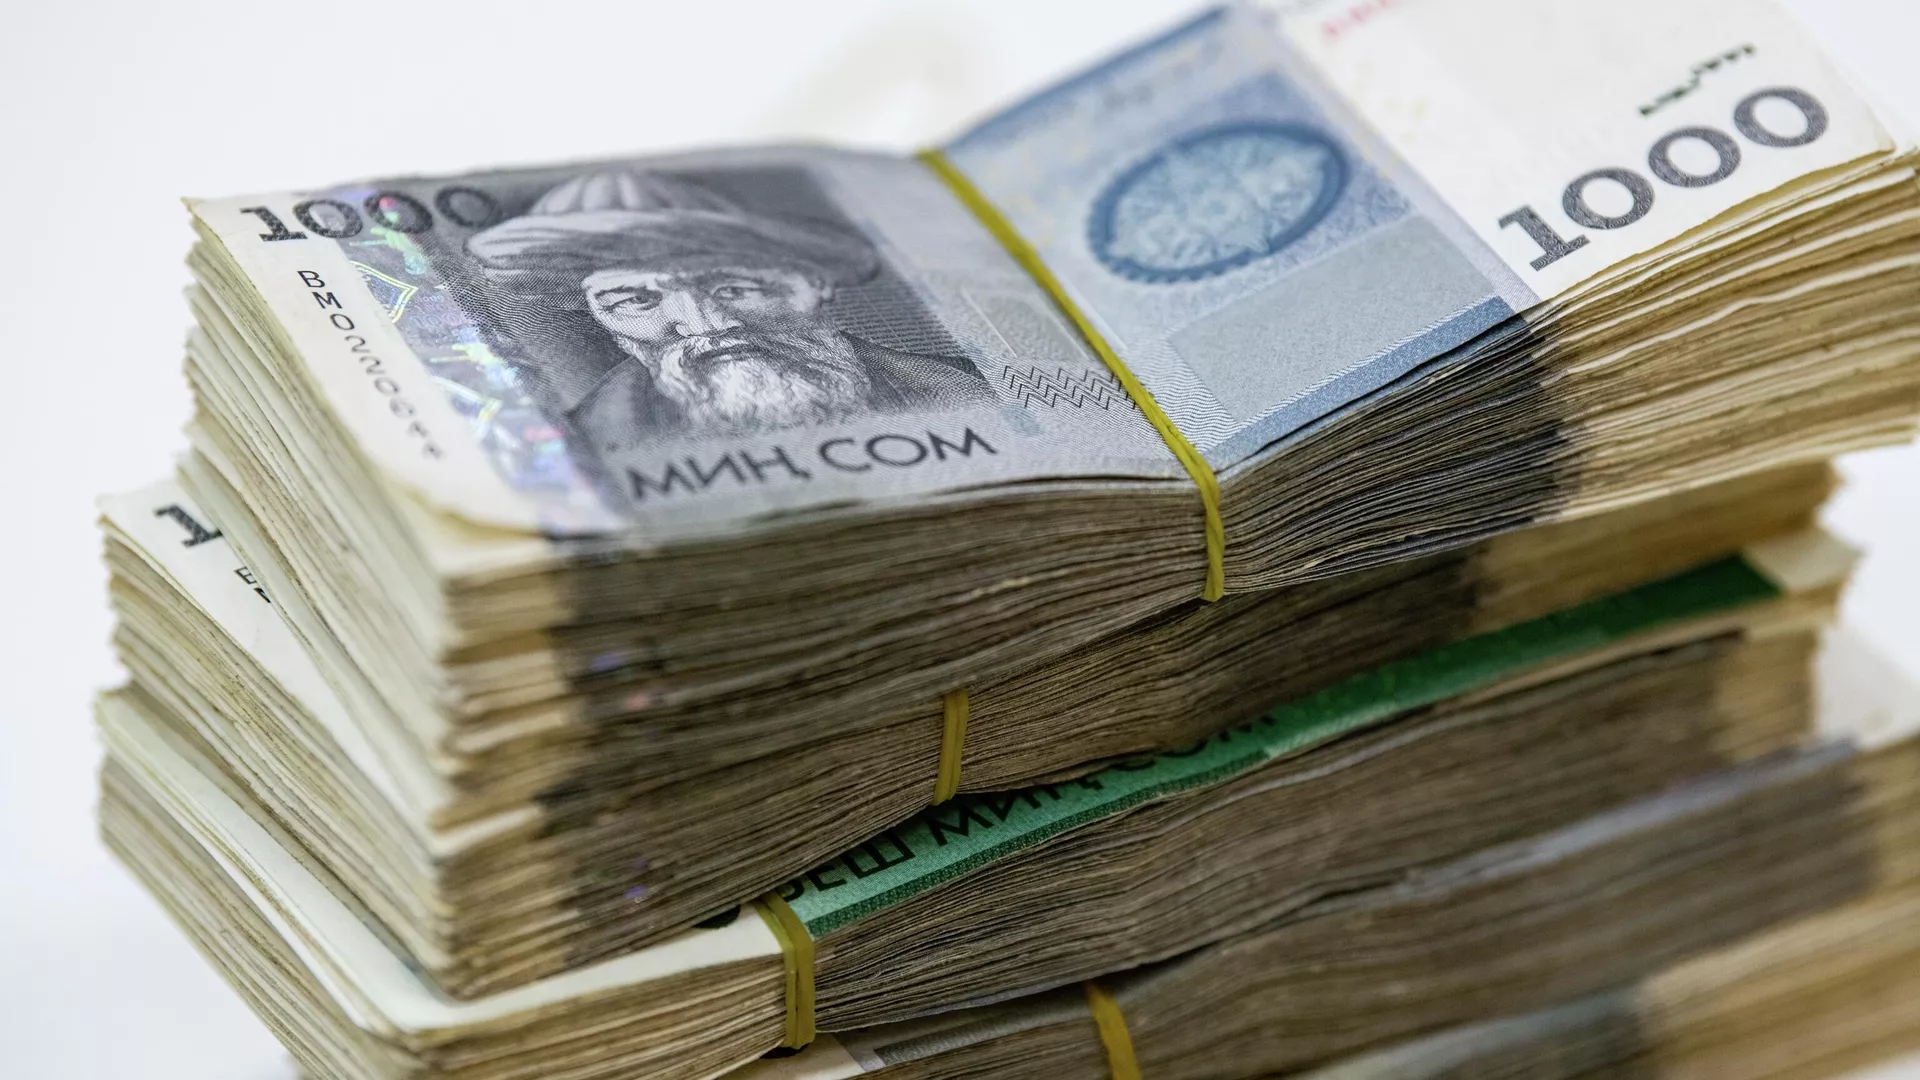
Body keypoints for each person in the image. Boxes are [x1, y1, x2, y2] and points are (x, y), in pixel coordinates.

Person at [467, 168, 996, 448]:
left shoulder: (973, 392)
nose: (711, 325)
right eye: (636, 300)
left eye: (736, 288)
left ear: (812, 284)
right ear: (600, 318)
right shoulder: (577, 443)